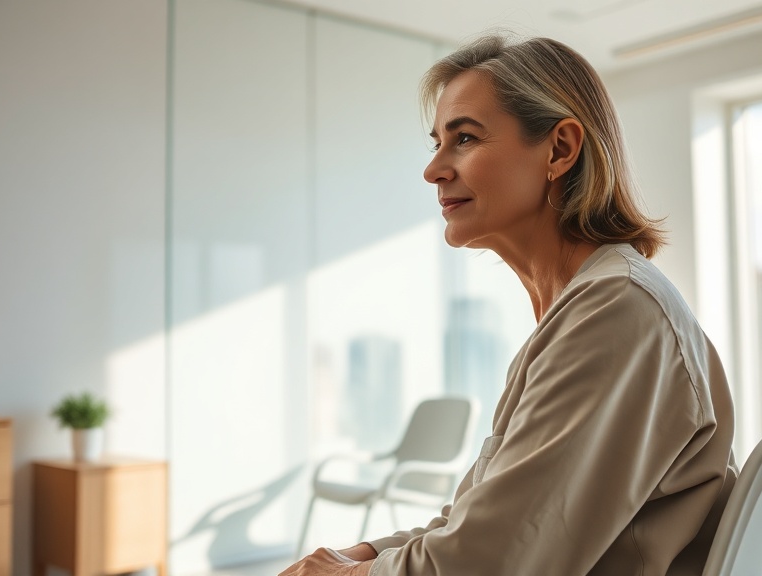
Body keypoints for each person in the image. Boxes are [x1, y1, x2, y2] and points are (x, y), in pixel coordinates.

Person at [280, 34, 737, 576]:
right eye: (437, 144)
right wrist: (365, 555)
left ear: (560, 150)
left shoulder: (614, 310)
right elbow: (481, 523)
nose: (434, 170)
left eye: (465, 138)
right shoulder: (591, 307)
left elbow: (492, 562)